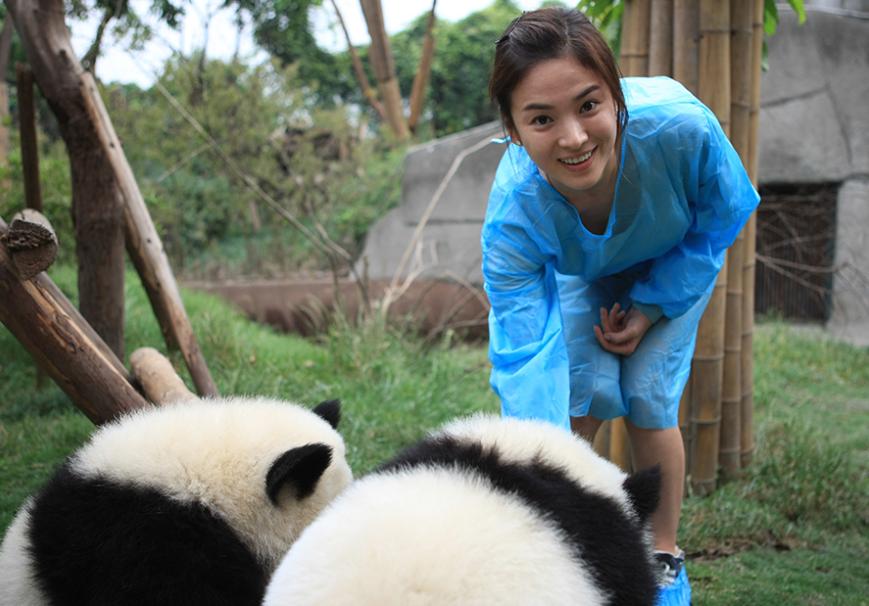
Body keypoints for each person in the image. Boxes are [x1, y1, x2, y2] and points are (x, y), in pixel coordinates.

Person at [481, 7, 759, 605]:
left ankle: (661, 554)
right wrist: (533, 469)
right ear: (511, 127)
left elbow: (722, 214)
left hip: (674, 266)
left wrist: (655, 305)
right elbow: (527, 357)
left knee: (647, 395)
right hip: (587, 273)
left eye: (588, 105)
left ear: (616, 95)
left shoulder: (682, 129)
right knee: (582, 392)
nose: (574, 137)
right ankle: (565, 533)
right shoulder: (513, 216)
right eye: (541, 118)